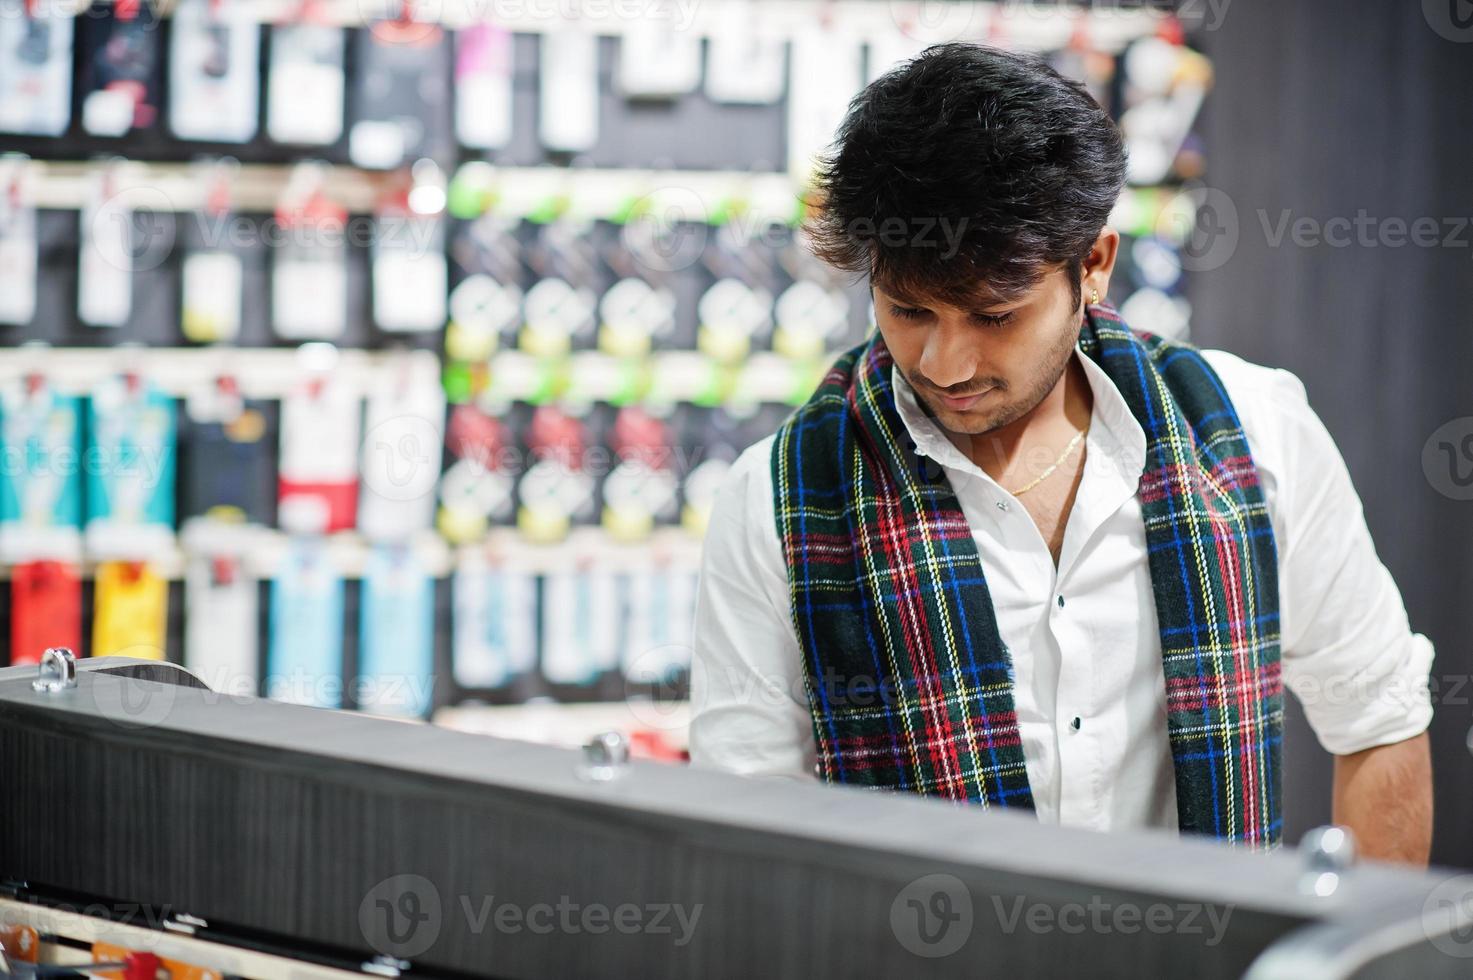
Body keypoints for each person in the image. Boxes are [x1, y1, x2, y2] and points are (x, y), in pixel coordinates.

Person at [688, 42, 1434, 863]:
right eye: (907, 311)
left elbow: (1379, 719)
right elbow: (746, 827)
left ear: (1094, 267)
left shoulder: (1253, 432)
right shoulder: (779, 499)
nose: (946, 364)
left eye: (994, 316)